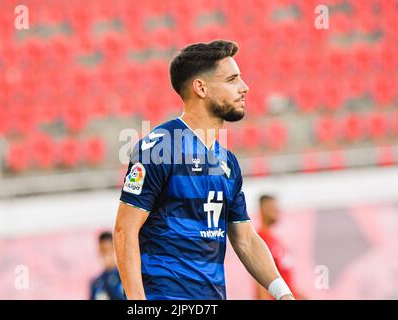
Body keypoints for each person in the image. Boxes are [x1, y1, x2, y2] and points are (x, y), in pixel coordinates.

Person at [114, 40, 295, 300]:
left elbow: (244, 238)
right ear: (201, 87)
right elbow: (124, 229)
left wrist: (283, 294)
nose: (244, 88)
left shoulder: (227, 163)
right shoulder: (159, 148)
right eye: (232, 80)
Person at [256, 195, 306, 300]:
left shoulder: (276, 240)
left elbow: (286, 280)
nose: (277, 210)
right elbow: (259, 279)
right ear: (263, 209)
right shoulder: (259, 239)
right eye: (272, 207)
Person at [89, 231, 125, 300]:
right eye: (103, 250)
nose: (107, 254)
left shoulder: (125, 277)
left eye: (109, 249)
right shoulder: (96, 283)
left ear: (115, 249)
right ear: (99, 251)